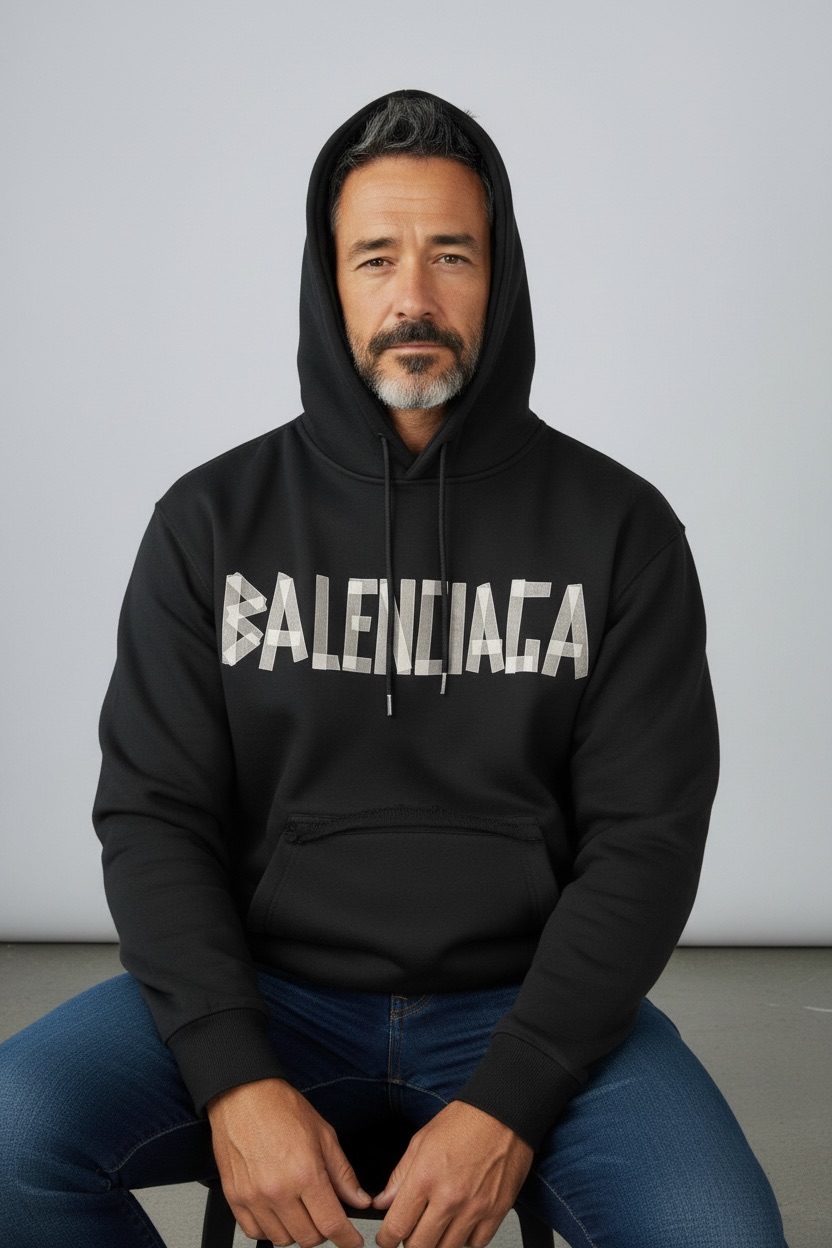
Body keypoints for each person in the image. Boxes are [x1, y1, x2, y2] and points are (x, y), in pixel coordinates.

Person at [0, 89, 788, 1248]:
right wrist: (234, 1078)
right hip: (271, 994)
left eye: (449, 256)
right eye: (376, 257)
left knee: (721, 1234)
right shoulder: (209, 523)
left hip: (524, 1005)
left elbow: (646, 841)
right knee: (9, 1136)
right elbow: (153, 817)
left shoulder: (620, 530)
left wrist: (511, 1098)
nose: (412, 296)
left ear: (499, 277)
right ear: (329, 282)